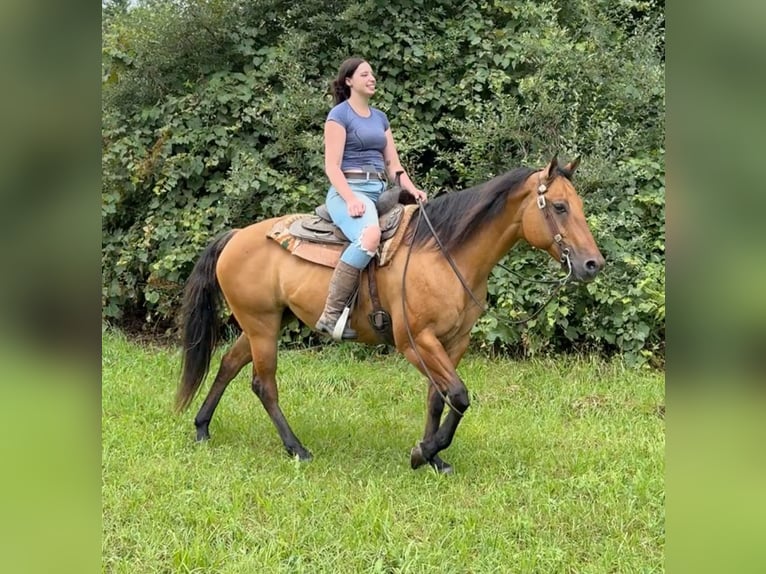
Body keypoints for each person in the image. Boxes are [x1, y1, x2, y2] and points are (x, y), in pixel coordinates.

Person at [315, 57, 428, 340]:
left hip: (380, 191)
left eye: (373, 74)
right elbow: (332, 166)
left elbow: (394, 166)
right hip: (349, 191)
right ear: (349, 81)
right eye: (365, 74)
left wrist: (412, 189)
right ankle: (331, 315)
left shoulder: (380, 118)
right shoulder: (339, 116)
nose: (372, 78)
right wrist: (351, 198)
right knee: (369, 236)